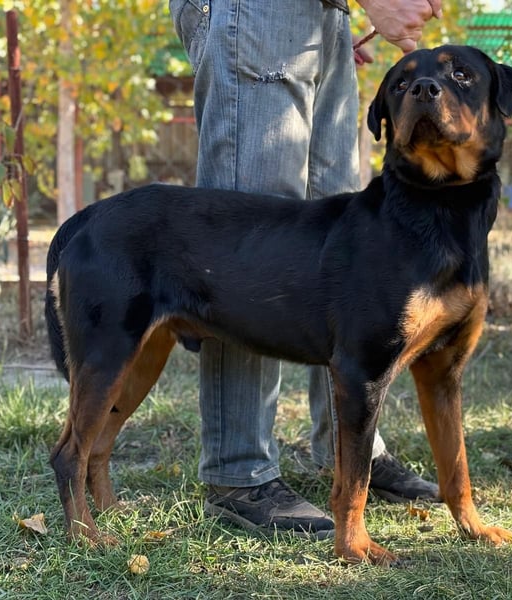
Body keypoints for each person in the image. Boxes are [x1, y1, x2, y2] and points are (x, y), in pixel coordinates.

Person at [169, 0, 443, 538]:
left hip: (320, 16)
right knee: (252, 244)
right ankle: (238, 472)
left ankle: (347, 453)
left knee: (342, 239)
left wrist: (330, 25)